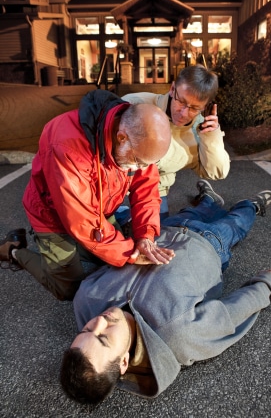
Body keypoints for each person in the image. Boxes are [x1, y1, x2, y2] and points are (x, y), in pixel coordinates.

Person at [60, 181, 271, 405]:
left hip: (161, 233)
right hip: (211, 244)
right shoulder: (177, 334)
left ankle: (210, 199)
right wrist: (265, 286)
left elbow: (106, 261)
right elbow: (230, 315)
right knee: (236, 222)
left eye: (86, 329)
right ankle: (251, 205)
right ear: (124, 362)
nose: (98, 322)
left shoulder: (86, 299)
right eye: (103, 338)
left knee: (197, 209)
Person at [0, 89, 175, 301]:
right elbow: (81, 220)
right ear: (121, 137)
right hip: (51, 213)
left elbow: (146, 189)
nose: (139, 169)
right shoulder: (67, 144)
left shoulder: (139, 141)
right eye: (138, 162)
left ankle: (75, 250)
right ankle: (13, 251)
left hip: (97, 208)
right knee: (67, 288)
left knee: (112, 257)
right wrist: (129, 253)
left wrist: (145, 236)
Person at [118, 64, 230, 222]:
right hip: (117, 185)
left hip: (155, 189)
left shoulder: (200, 130)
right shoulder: (135, 104)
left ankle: (208, 199)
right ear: (172, 89)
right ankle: (122, 212)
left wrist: (212, 135)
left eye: (194, 108)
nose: (184, 113)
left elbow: (216, 172)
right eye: (181, 101)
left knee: (158, 234)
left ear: (206, 107)